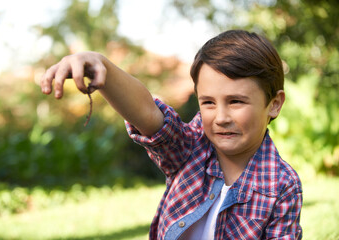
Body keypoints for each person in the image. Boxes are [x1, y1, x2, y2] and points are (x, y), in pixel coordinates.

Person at [41, 29, 302, 239]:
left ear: (275, 104)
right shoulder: (190, 149)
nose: (221, 117)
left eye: (236, 101)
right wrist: (101, 66)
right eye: (208, 102)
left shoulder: (282, 185)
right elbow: (148, 114)